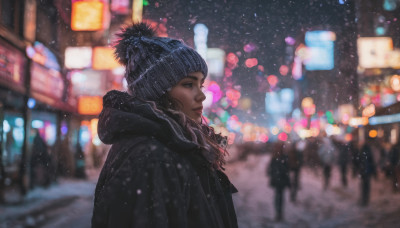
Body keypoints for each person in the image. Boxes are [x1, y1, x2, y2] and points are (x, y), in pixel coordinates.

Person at [91, 23, 238, 228]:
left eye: (200, 84)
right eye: (188, 84)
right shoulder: (152, 156)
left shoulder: (177, 145)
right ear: (158, 91)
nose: (202, 95)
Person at [267, 141, 290, 221]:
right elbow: (270, 169)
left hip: (281, 180)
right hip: (278, 180)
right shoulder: (276, 157)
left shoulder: (282, 157)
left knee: (280, 197)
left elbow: (287, 169)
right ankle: (278, 213)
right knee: (278, 196)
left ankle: (279, 213)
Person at [358, 140, 377, 206]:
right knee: (366, 186)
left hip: (363, 171)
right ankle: (366, 199)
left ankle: (364, 199)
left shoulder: (361, 152)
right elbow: (372, 163)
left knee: (364, 186)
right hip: (367, 171)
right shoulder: (369, 152)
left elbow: (358, 162)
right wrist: (375, 174)